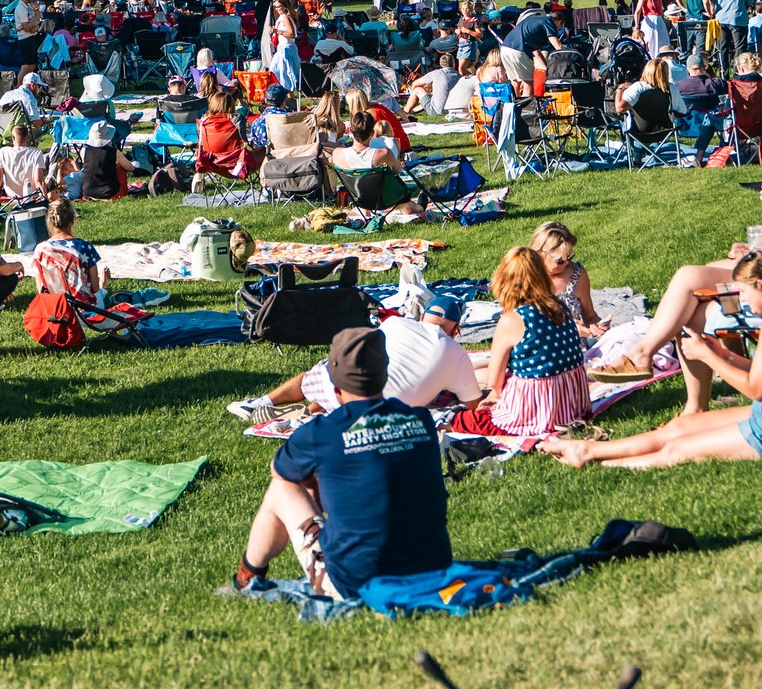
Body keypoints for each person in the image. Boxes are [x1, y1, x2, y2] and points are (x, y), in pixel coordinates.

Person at [547, 252, 762, 468]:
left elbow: (758, 388)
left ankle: (601, 461)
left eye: (743, 294)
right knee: (686, 425)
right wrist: (723, 353)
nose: (742, 302)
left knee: (676, 450)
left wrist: (708, 355)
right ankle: (587, 449)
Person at [225, 326, 452, 603]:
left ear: (333, 384)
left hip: (354, 583)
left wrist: (315, 485)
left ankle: (247, 576)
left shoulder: (321, 432)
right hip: (433, 571)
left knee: (282, 487)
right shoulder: (421, 421)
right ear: (384, 375)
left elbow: (282, 472)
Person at [587, 136, 762, 378]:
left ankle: (642, 355)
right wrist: (754, 252)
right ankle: (718, 373)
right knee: (695, 290)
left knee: (689, 288)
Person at [228, 294, 483, 423]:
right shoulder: (456, 354)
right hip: (381, 420)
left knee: (321, 374)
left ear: (422, 316)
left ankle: (264, 402)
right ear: (456, 329)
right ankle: (307, 413)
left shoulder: (395, 324)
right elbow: (472, 404)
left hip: (342, 392)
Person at [441, 246, 591, 442]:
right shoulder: (560, 306)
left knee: (463, 419)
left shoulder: (513, 320)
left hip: (540, 409)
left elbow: (495, 382)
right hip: (572, 403)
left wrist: (494, 394)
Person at [530, 220, 600, 338]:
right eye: (560, 261)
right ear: (540, 253)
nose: (567, 263)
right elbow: (518, 326)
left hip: (573, 348)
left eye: (569, 256)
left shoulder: (576, 275)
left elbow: (590, 316)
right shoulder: (526, 277)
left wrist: (597, 326)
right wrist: (567, 329)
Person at [28, 199, 106, 303]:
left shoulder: (40, 250)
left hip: (55, 308)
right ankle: (104, 285)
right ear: (73, 220)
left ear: (50, 221)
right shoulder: (84, 246)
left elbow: (41, 289)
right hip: (84, 309)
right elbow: (95, 288)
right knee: (102, 293)